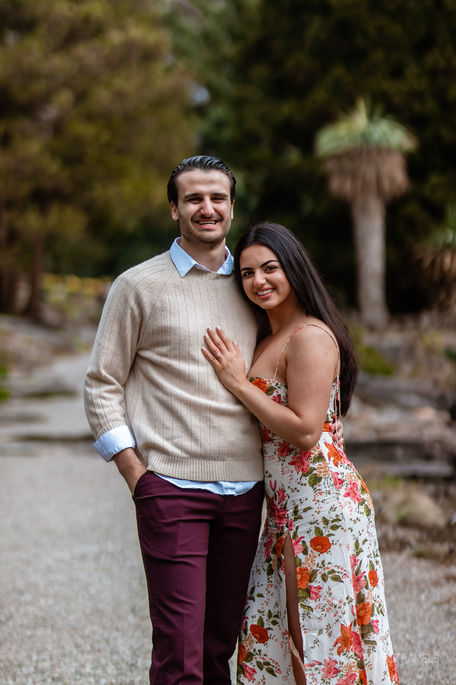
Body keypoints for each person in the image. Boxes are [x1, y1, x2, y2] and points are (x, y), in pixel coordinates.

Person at [84, 155, 265, 684]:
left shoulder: (254, 285)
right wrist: (137, 475)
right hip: (172, 488)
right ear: (174, 208)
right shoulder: (137, 286)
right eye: (193, 199)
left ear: (232, 207)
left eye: (217, 198)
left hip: (247, 490)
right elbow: (102, 382)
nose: (207, 208)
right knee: (179, 654)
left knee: (217, 648)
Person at [202, 222, 400, 685]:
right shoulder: (267, 336)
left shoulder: (309, 335)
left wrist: (237, 384)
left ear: (293, 267)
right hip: (285, 510)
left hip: (320, 505)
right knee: (278, 632)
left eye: (269, 268)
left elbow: (307, 431)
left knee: (317, 637)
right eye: (247, 273)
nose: (258, 281)